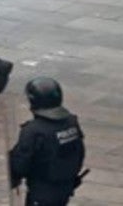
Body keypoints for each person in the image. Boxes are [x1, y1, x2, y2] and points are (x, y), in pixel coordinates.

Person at [9, 77, 86, 205]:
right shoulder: (71, 122)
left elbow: (21, 162)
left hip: (41, 191)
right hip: (65, 187)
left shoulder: (33, 131)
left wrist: (13, 175)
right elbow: (80, 152)